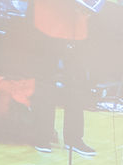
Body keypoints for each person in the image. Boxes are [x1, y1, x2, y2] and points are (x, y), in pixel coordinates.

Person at [30, 0, 97, 155]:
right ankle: (42, 135)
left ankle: (74, 138)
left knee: (77, 84)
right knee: (46, 81)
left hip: (77, 25)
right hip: (48, 21)